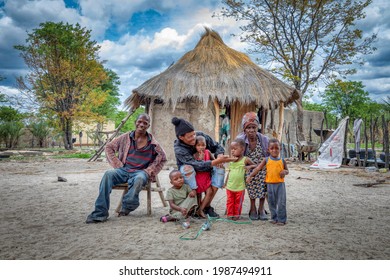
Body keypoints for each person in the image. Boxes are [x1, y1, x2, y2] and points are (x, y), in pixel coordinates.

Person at [86, 113, 167, 223]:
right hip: (124, 170)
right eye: (139, 122)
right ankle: (100, 213)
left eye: (145, 123)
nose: (142, 124)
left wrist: (150, 170)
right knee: (108, 175)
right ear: (135, 122)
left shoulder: (152, 143)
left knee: (139, 179)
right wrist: (118, 164)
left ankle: (128, 205)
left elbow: (163, 157)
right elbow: (109, 147)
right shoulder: (125, 137)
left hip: (140, 172)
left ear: (148, 126)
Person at [171, 117, 235, 218]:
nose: (194, 138)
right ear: (181, 137)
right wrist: (215, 161)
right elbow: (195, 165)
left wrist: (219, 155)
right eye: (190, 137)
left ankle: (206, 206)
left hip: (206, 167)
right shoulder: (179, 148)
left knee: (220, 168)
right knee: (187, 169)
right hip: (192, 171)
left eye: (194, 134)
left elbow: (217, 146)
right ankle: (194, 206)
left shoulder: (200, 136)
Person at [246, 138, 289, 225]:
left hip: (280, 185)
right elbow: (258, 168)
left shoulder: (282, 160)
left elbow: (287, 170)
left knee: (281, 202)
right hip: (269, 185)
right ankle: (274, 218)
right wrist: (250, 176)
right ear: (268, 150)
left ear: (280, 148)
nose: (274, 150)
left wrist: (284, 172)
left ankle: (281, 219)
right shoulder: (266, 160)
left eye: (277, 148)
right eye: (272, 148)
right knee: (271, 202)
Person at [237, 112, 270, 220]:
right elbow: (237, 156)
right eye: (248, 128)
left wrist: (260, 166)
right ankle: (252, 207)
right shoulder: (240, 140)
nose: (251, 130)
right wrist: (250, 166)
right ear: (244, 129)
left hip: (262, 166)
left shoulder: (264, 140)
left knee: (263, 174)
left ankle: (261, 207)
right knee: (249, 175)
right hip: (248, 167)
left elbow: (269, 158)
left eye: (253, 127)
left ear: (257, 128)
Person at [224, 138, 256, 220]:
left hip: (240, 187)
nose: (232, 151)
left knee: (238, 202)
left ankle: (236, 215)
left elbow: (257, 166)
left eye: (235, 149)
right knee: (230, 201)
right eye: (231, 149)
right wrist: (225, 182)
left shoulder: (245, 160)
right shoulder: (231, 160)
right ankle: (230, 214)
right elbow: (229, 172)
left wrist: (250, 166)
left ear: (242, 149)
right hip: (230, 186)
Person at [193, 135, 214, 218]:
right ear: (195, 146)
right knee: (199, 194)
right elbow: (195, 166)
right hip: (198, 178)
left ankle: (201, 209)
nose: (201, 147)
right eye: (199, 145)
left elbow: (214, 160)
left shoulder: (207, 152)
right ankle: (198, 209)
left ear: (206, 145)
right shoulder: (194, 155)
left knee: (209, 192)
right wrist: (200, 160)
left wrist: (219, 163)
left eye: (203, 145)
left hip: (206, 177)